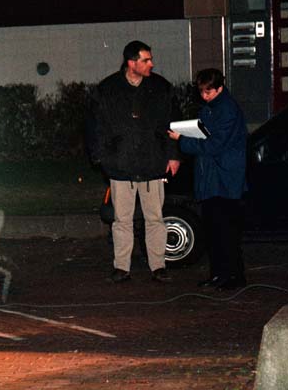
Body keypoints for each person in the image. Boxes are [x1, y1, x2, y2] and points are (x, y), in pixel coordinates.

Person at [90, 40, 181, 283]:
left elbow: (172, 124)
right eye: (145, 60)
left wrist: (173, 155)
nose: (151, 63)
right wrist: (102, 157)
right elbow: (97, 127)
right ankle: (122, 267)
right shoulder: (108, 88)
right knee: (122, 219)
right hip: (121, 164)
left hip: (153, 163)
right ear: (132, 63)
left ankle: (158, 265)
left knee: (155, 218)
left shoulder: (161, 87)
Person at [168, 68, 247, 290]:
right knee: (215, 230)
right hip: (213, 178)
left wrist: (183, 139)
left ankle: (231, 276)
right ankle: (220, 275)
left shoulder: (227, 109)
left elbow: (214, 145)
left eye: (208, 92)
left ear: (219, 88)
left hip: (224, 180)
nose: (204, 96)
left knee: (225, 231)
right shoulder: (210, 108)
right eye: (202, 92)